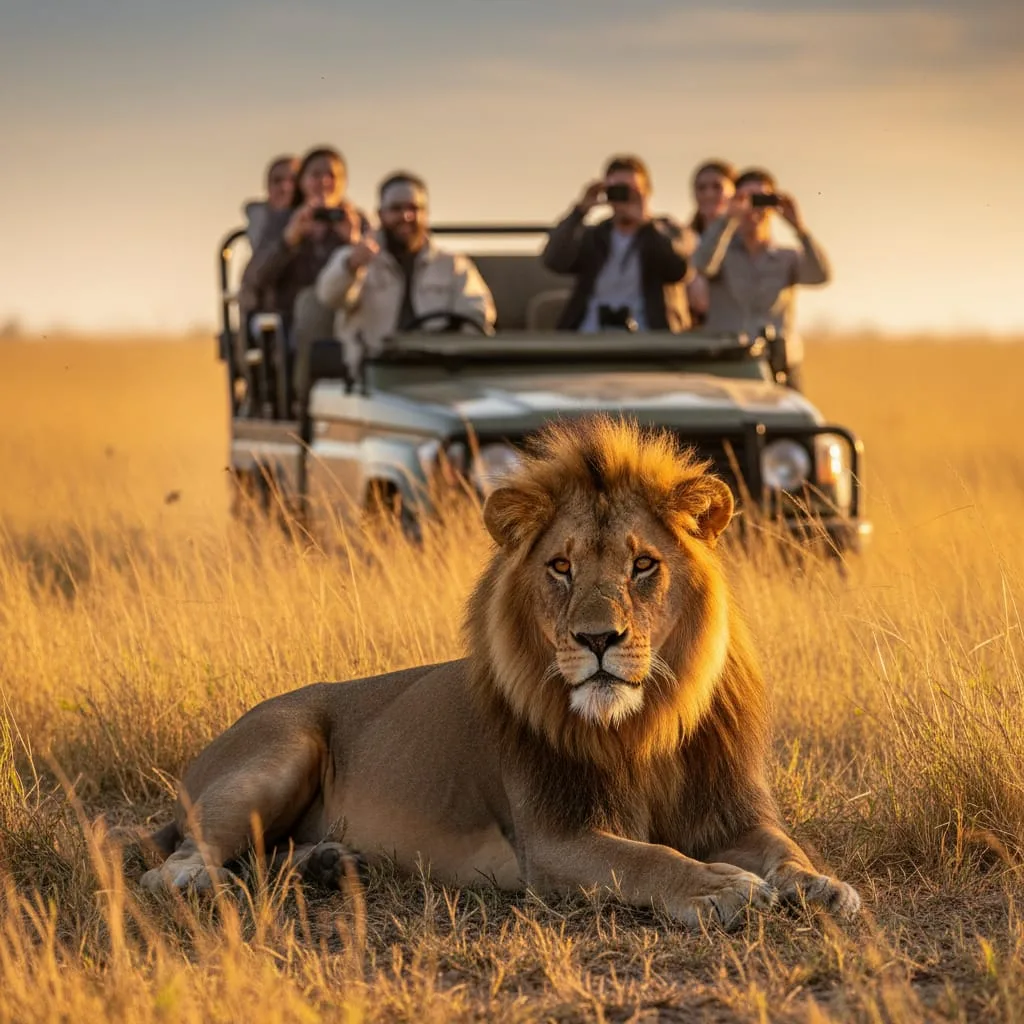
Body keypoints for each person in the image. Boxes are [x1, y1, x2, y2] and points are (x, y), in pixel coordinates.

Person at [315, 171, 496, 379]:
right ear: (380, 214)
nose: (406, 216)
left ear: (426, 214)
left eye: (414, 208)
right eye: (396, 209)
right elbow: (329, 296)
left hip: (439, 374)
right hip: (373, 375)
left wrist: (451, 348)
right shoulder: (356, 257)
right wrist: (352, 265)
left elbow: (478, 314)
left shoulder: (453, 265)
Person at [690, 167, 830, 391]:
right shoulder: (721, 254)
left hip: (779, 368)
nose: (754, 209)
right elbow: (701, 265)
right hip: (728, 366)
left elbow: (820, 275)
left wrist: (799, 228)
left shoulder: (786, 258)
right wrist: (728, 220)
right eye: (747, 199)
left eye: (763, 199)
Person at [541, 154, 691, 333]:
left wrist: (647, 224)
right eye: (616, 191)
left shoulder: (668, 232)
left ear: (647, 193)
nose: (624, 198)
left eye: (632, 191)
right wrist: (579, 212)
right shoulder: (594, 236)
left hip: (649, 336)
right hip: (592, 333)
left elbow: (680, 270)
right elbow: (553, 260)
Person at [684, 159, 736, 328]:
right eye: (702, 188)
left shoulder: (744, 237)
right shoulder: (685, 238)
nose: (709, 194)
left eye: (717, 187)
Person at [243, 154, 299, 249]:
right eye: (277, 181)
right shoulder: (259, 218)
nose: (284, 187)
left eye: (293, 180)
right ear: (267, 186)